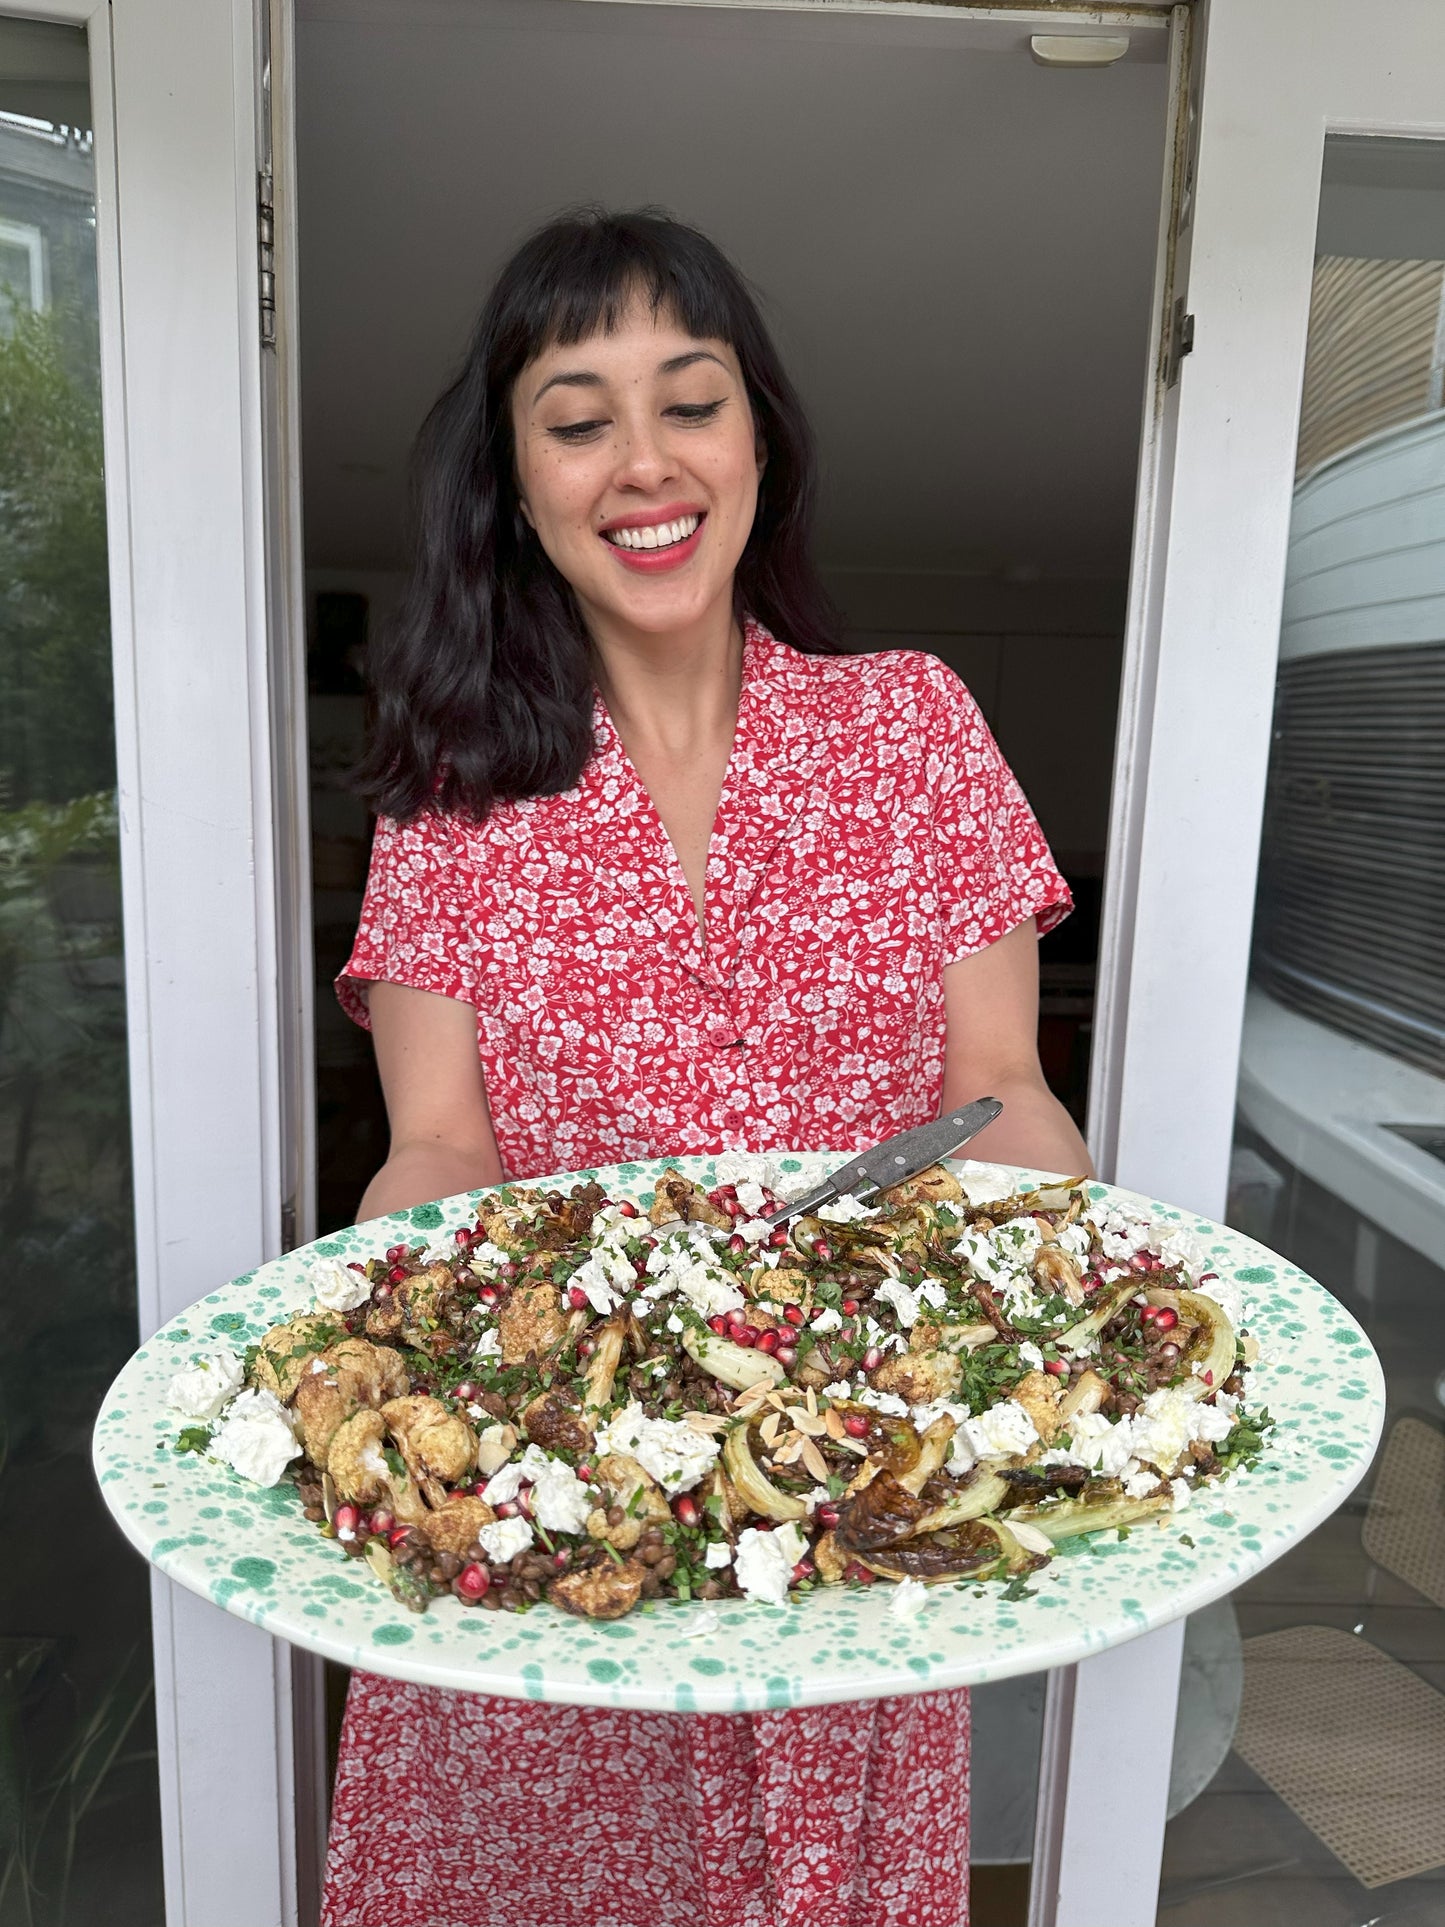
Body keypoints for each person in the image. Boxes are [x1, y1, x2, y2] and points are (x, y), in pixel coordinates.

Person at [323, 207, 1092, 1927]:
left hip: (843, 1496)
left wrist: (1037, 1266)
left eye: (691, 401)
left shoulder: (906, 727)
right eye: (578, 418)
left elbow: (1000, 1086)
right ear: (515, 483)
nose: (643, 463)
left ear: (761, 441)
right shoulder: (449, 790)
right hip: (551, 1508)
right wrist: (389, 1359)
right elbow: (438, 1146)